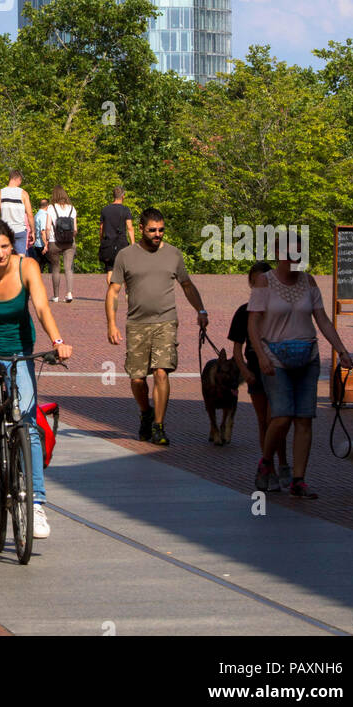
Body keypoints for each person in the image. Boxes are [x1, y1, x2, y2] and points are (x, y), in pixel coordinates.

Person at [0, 219, 72, 540]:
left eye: (6, 246)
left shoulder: (28, 267)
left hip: (19, 349)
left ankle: (35, 502)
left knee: (29, 425)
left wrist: (58, 342)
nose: (1, 253)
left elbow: (43, 308)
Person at [248, 236, 353, 498]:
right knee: (282, 416)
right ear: (277, 253)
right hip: (275, 357)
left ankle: (298, 478)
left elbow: (323, 320)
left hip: (308, 356)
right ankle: (266, 461)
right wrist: (261, 355)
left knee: (304, 419)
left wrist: (341, 350)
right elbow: (252, 323)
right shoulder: (265, 281)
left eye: (298, 253)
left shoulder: (309, 281)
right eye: (289, 253)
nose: (294, 258)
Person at [106, 207, 208, 447]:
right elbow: (113, 291)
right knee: (138, 378)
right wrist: (111, 324)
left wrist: (201, 310)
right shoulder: (125, 255)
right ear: (141, 229)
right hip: (137, 323)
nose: (157, 234)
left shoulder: (173, 254)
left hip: (166, 321)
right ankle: (145, 412)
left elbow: (187, 285)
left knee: (162, 372)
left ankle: (159, 426)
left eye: (161, 230)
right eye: (152, 230)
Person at [228, 262, 289, 488]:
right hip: (255, 371)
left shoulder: (278, 309)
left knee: (278, 420)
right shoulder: (244, 312)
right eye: (256, 282)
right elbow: (236, 348)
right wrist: (244, 371)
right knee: (264, 421)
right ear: (251, 283)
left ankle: (282, 463)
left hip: (277, 371)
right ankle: (269, 467)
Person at [44, 187, 78, 304]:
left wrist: (47, 240)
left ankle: (56, 296)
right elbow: (75, 229)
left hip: (55, 241)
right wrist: (71, 238)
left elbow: (48, 227)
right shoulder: (72, 209)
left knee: (55, 268)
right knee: (68, 268)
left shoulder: (51, 208)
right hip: (69, 242)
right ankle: (69, 293)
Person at [0, 170, 34, 257]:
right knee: (21, 258)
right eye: (20, 180)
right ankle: (19, 269)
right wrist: (33, 231)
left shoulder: (1, 193)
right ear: (17, 179)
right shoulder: (24, 193)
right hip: (20, 230)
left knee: (5, 256)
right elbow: (29, 214)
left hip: (5, 231)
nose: (20, 183)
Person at [99, 187, 135, 282]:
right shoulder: (125, 210)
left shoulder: (105, 210)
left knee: (110, 270)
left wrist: (102, 241)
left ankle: (112, 295)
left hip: (108, 243)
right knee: (125, 270)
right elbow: (130, 228)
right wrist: (133, 244)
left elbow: (101, 228)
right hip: (122, 243)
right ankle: (127, 295)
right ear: (123, 196)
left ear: (113, 196)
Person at [32, 199, 49, 265]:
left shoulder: (36, 215)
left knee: (39, 266)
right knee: (52, 265)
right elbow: (43, 231)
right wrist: (46, 245)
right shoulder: (43, 215)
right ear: (47, 206)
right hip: (43, 244)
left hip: (37, 244)